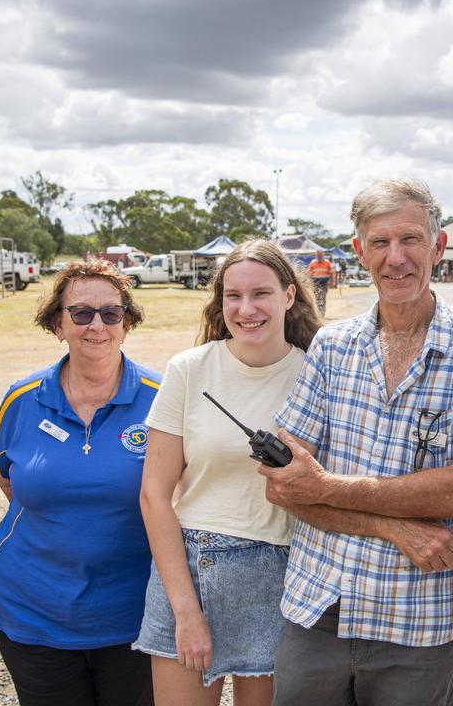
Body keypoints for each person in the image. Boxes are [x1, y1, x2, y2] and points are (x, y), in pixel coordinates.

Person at [259, 179, 453, 706]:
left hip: (420, 618)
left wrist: (325, 486)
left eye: (410, 239)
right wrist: (394, 526)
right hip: (319, 607)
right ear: (359, 251)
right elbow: (285, 487)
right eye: (379, 242)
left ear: (438, 246)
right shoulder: (333, 346)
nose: (396, 257)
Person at [134, 239, 322, 706]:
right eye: (233, 296)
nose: (246, 308)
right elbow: (154, 496)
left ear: (289, 296)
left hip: (280, 573)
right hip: (191, 568)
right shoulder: (188, 371)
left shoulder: (319, 373)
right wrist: (185, 610)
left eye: (261, 293)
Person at [0, 259, 158, 706]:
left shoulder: (163, 398)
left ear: (126, 323)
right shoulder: (22, 400)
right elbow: (9, 482)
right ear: (58, 324)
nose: (96, 325)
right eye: (80, 313)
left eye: (110, 313)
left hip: (132, 616)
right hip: (33, 613)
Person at [307, 248, 334, 315]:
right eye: (318, 255)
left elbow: (331, 273)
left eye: (320, 254)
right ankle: (318, 311)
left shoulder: (327, 262)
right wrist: (308, 281)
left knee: (323, 296)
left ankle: (322, 311)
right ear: (316, 255)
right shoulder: (313, 262)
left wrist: (332, 282)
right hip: (315, 282)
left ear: (322, 255)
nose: (319, 256)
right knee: (317, 297)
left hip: (324, 282)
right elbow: (309, 273)